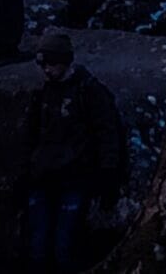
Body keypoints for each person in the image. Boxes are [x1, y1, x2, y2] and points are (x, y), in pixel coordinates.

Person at [17, 33, 127, 273]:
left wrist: (108, 175)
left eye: (51, 64)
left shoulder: (89, 92)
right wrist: (25, 169)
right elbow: (30, 133)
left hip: (74, 180)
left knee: (64, 248)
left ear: (65, 62)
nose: (46, 70)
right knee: (37, 247)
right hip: (42, 178)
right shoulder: (42, 92)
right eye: (43, 65)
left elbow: (107, 133)